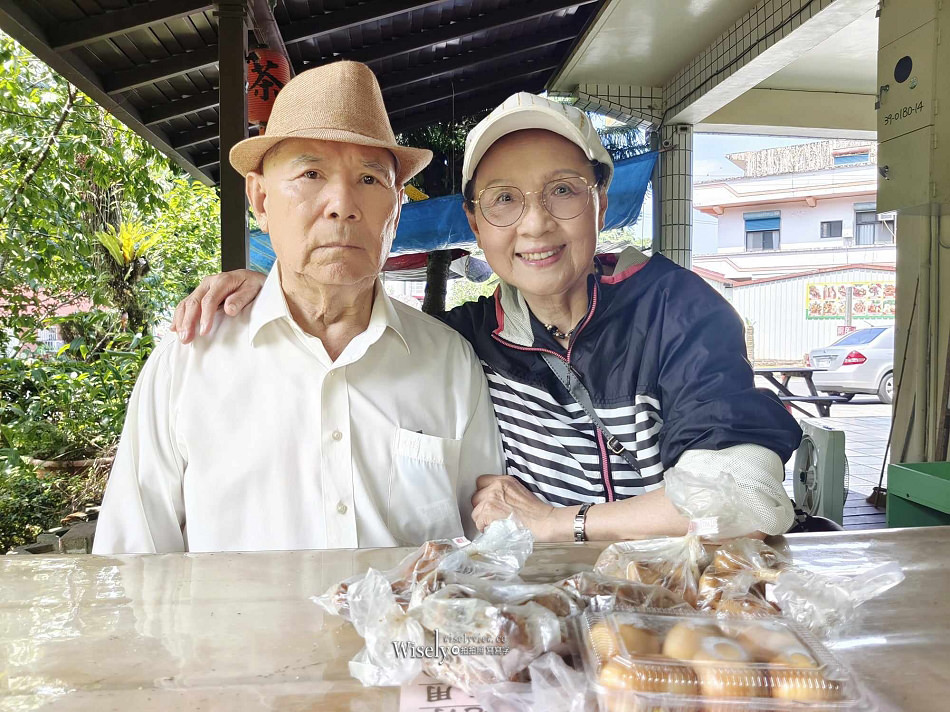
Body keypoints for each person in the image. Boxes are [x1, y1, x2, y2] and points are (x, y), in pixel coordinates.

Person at [173, 93, 802, 543]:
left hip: (693, 616)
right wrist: (282, 286)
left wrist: (561, 524)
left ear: (600, 203)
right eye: (505, 199)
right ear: (476, 225)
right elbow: (352, 324)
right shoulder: (466, 342)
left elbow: (742, 498)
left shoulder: (674, 308)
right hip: (556, 635)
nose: (535, 224)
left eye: (562, 190)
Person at [92, 62, 504, 555]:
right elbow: (131, 560)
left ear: (396, 207)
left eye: (370, 179)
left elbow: (491, 547)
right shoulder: (188, 361)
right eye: (311, 174)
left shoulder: (448, 363)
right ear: (261, 199)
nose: (341, 204)